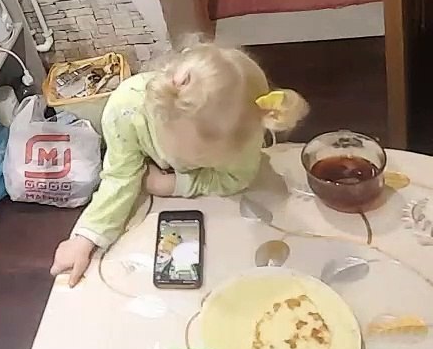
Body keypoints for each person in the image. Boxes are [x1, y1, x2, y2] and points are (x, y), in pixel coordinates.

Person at [50, 40, 308, 286]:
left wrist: (175, 183)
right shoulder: (124, 112)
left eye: (209, 161)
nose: (200, 164)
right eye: (194, 159)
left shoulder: (245, 127)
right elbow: (119, 177)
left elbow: (236, 178)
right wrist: (85, 238)